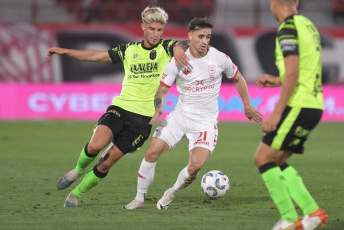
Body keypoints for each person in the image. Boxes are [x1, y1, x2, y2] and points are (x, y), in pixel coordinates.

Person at [45, 6, 190, 207]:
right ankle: (77, 170)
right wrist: (65, 51)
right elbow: (96, 56)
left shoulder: (167, 48)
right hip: (121, 108)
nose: (156, 34)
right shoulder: (129, 50)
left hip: (142, 120)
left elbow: (186, 43)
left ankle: (75, 195)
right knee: (96, 145)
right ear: (143, 27)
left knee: (106, 162)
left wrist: (177, 47)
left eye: (159, 30)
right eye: (152, 29)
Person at [123, 17, 263, 210]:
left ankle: (171, 192)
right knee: (151, 152)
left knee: (195, 167)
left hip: (205, 123)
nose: (205, 41)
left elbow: (238, 78)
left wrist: (247, 105)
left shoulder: (219, 58)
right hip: (180, 116)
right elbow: (162, 90)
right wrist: (159, 106)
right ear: (190, 36)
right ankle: (139, 199)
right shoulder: (178, 61)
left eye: (208, 36)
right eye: (200, 36)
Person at [253, 0, 328, 229]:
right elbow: (306, 69)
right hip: (314, 103)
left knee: (263, 158)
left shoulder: (287, 28)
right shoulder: (307, 25)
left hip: (299, 104)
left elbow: (294, 72)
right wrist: (276, 79)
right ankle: (312, 212)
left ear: (273, 3)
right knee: (279, 160)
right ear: (296, 1)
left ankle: (289, 218)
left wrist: (276, 112)